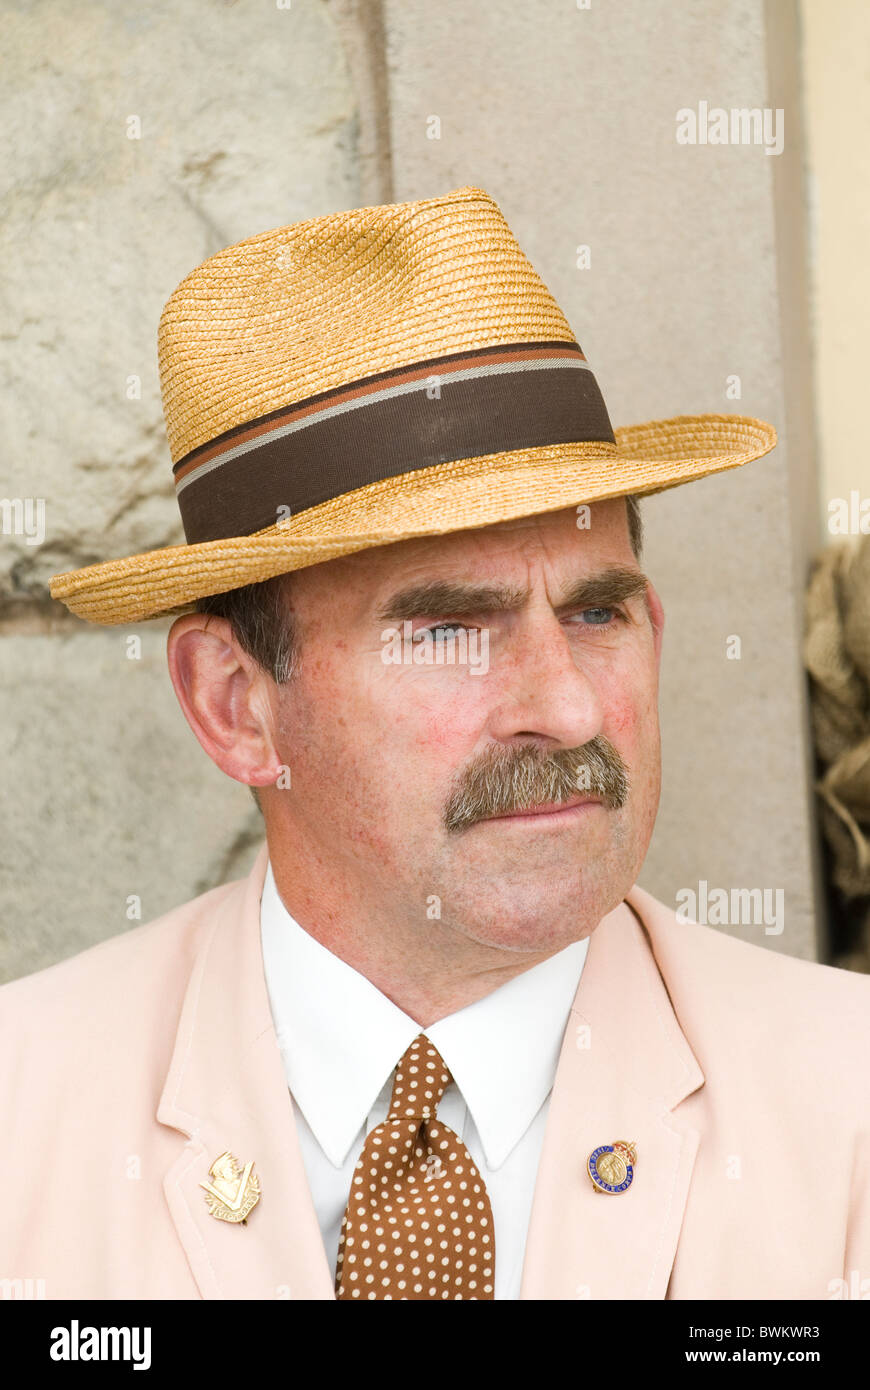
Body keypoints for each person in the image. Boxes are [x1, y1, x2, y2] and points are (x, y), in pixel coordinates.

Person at [2, 186, 867, 1301]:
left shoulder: (845, 1111)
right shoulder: (23, 1118)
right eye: (452, 630)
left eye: (596, 612)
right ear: (236, 704)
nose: (568, 709)